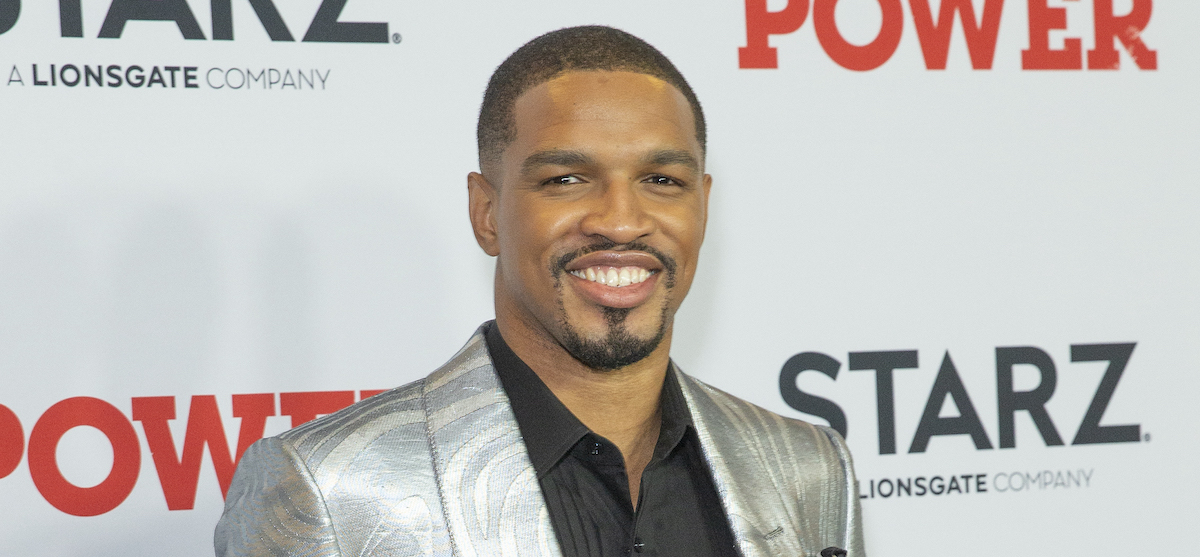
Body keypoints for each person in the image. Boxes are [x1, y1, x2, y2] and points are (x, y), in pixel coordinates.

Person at [215, 25, 865, 557]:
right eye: (566, 180)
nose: (621, 221)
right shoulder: (332, 487)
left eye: (662, 181)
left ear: (703, 203)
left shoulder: (809, 466)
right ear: (487, 213)